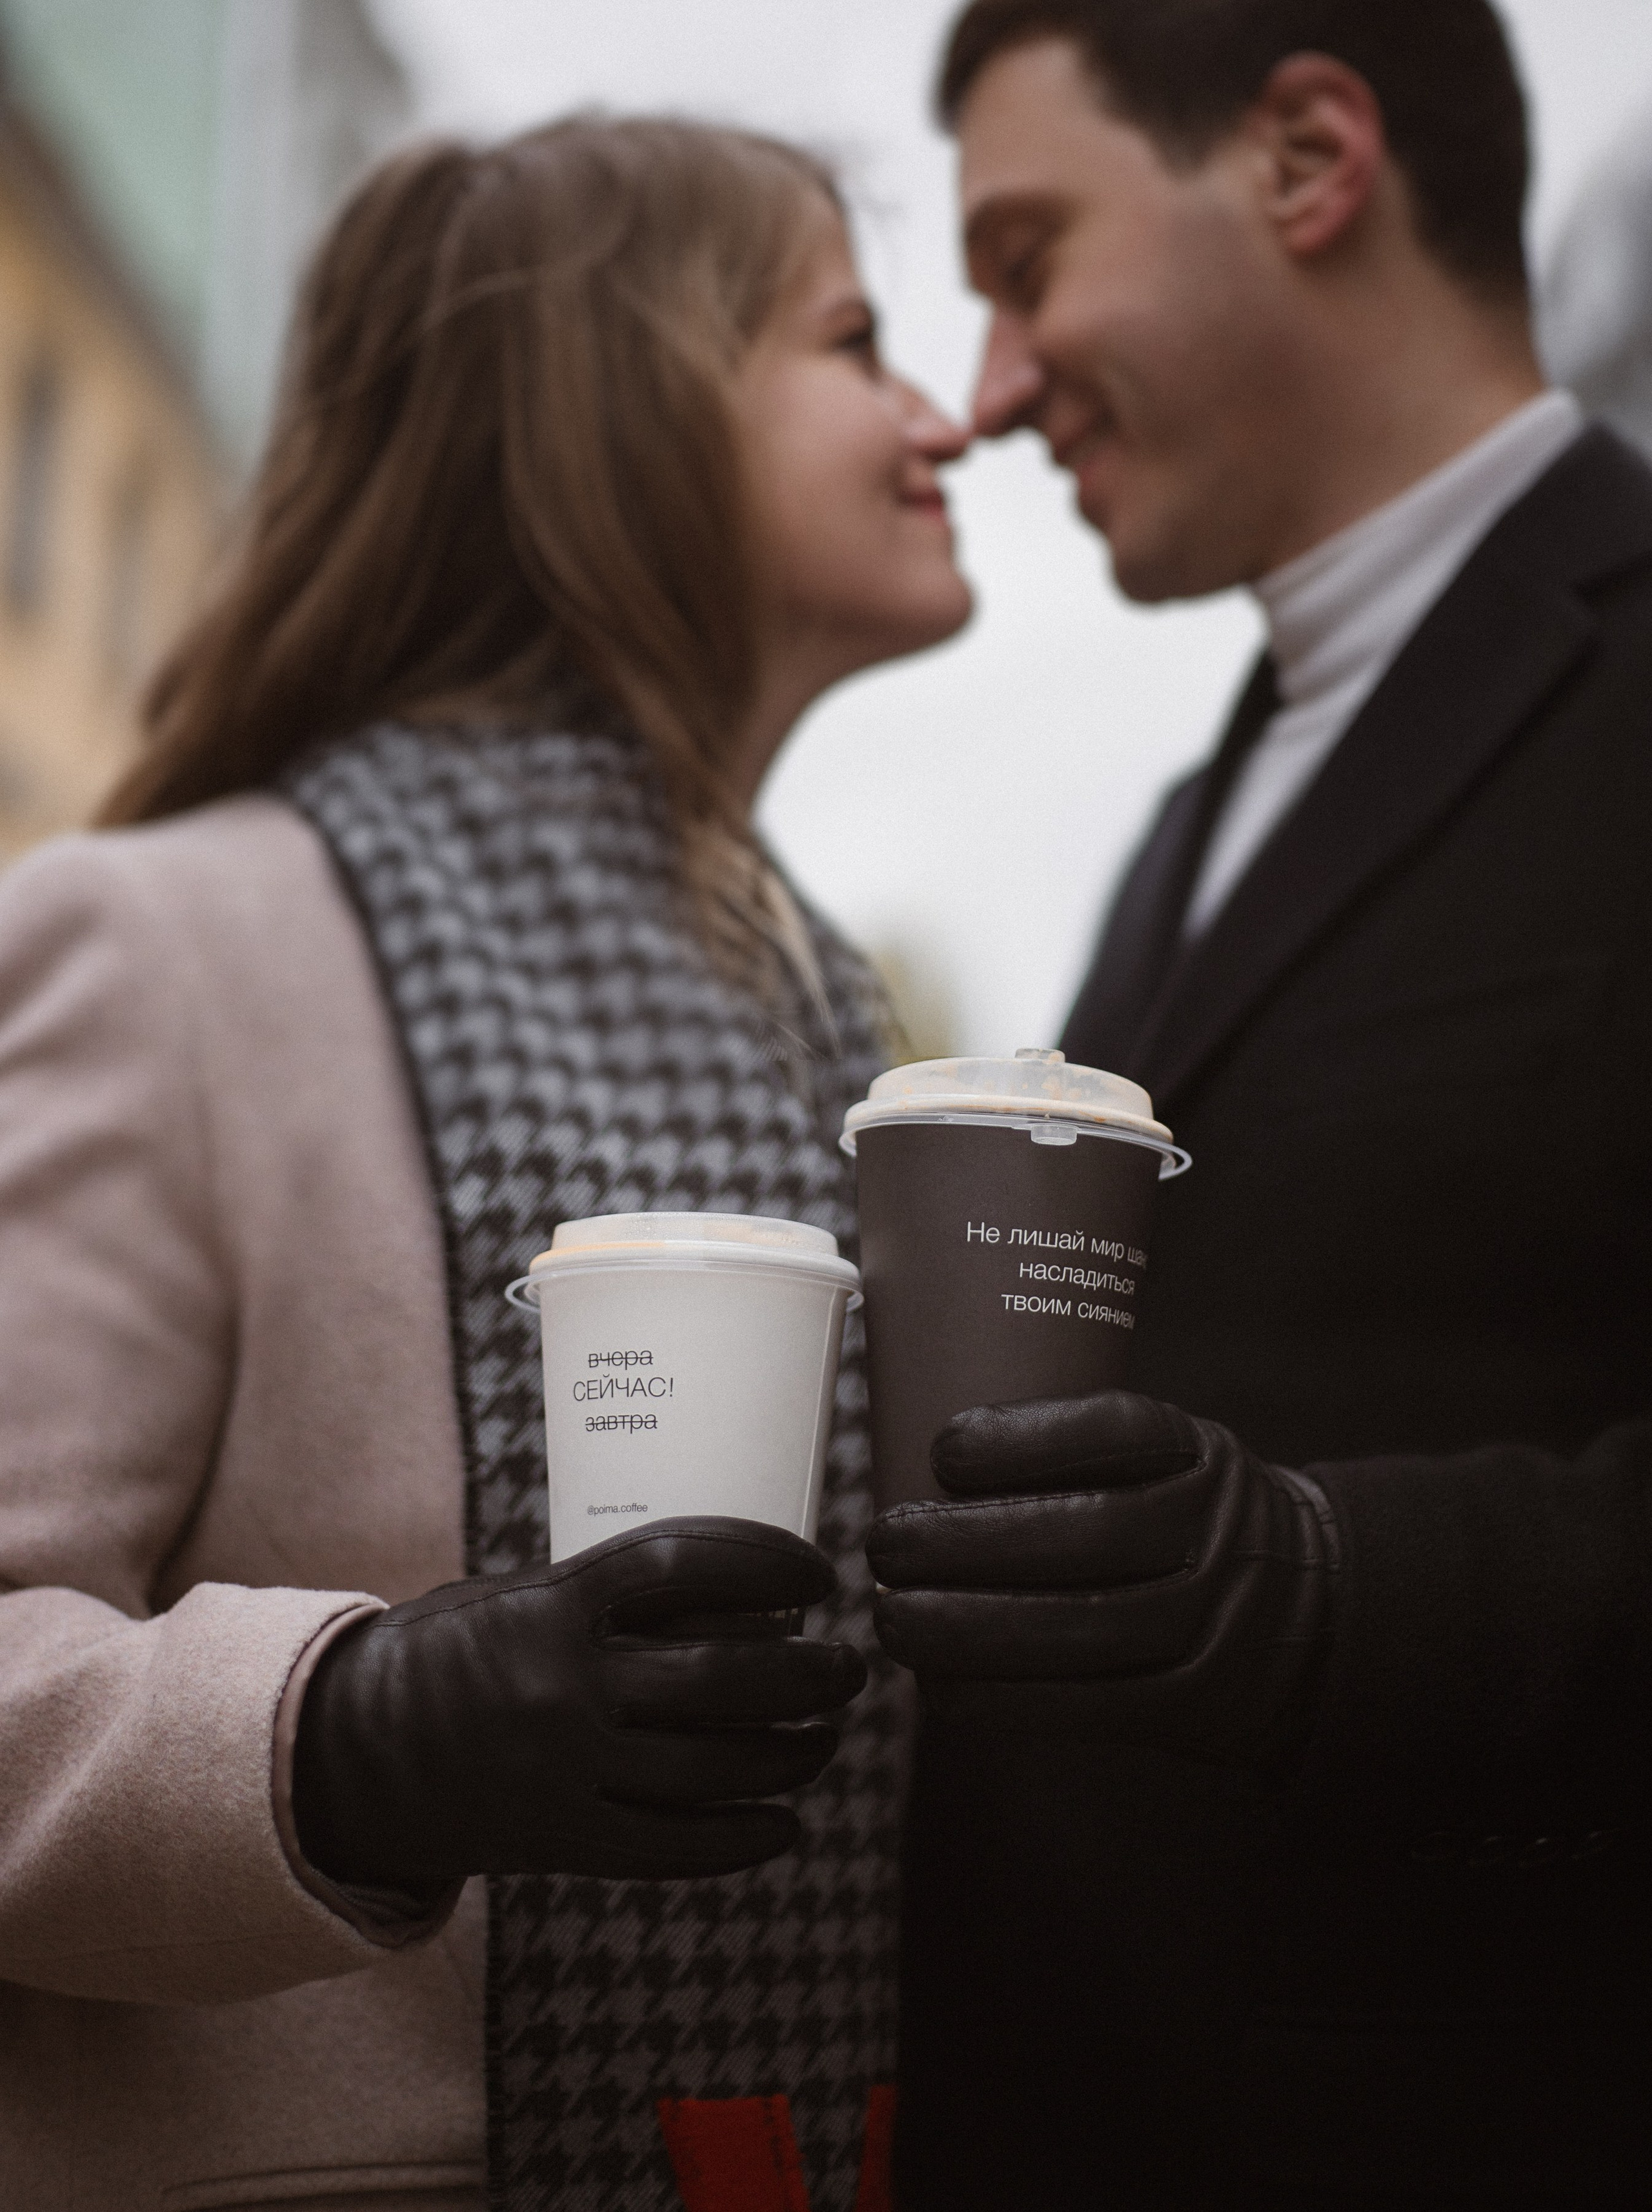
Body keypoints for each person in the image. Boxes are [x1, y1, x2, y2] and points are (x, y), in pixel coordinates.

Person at [0, 115, 971, 2210]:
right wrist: (351, 1738)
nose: (948, 414)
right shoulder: (163, 943)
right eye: (855, 341)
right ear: (627, 408)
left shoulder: (820, 1012)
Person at [866, 0, 1652, 2207]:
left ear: (1311, 158)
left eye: (1026, 260)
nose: (990, 389)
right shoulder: (1183, 825)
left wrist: (1321, 1582)